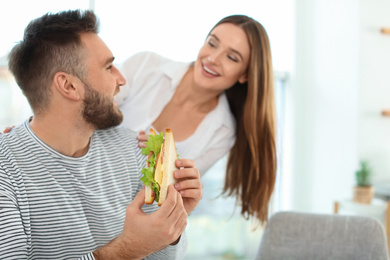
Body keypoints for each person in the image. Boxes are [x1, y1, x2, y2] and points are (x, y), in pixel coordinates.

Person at [0, 9, 202, 259]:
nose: (121, 79)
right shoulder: (5, 169)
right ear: (69, 86)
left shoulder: (134, 149)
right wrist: (122, 251)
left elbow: (157, 253)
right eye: (108, 67)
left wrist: (174, 221)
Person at [115, 15, 277, 224]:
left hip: (133, 223)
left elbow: (171, 200)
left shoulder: (223, 133)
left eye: (232, 58)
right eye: (212, 44)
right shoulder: (145, 65)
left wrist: (169, 171)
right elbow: (90, 109)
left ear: (244, 75)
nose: (213, 58)